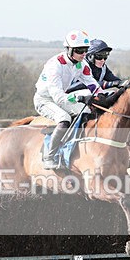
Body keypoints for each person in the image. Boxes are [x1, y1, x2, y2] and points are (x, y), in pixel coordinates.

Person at [33, 29, 103, 169]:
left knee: (88, 111)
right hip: (45, 100)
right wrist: (79, 97)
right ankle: (49, 156)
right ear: (69, 50)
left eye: (85, 50)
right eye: (79, 50)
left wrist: (102, 96)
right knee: (64, 118)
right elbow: (58, 97)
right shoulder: (55, 65)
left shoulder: (82, 64)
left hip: (62, 97)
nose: (83, 54)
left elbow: (92, 84)